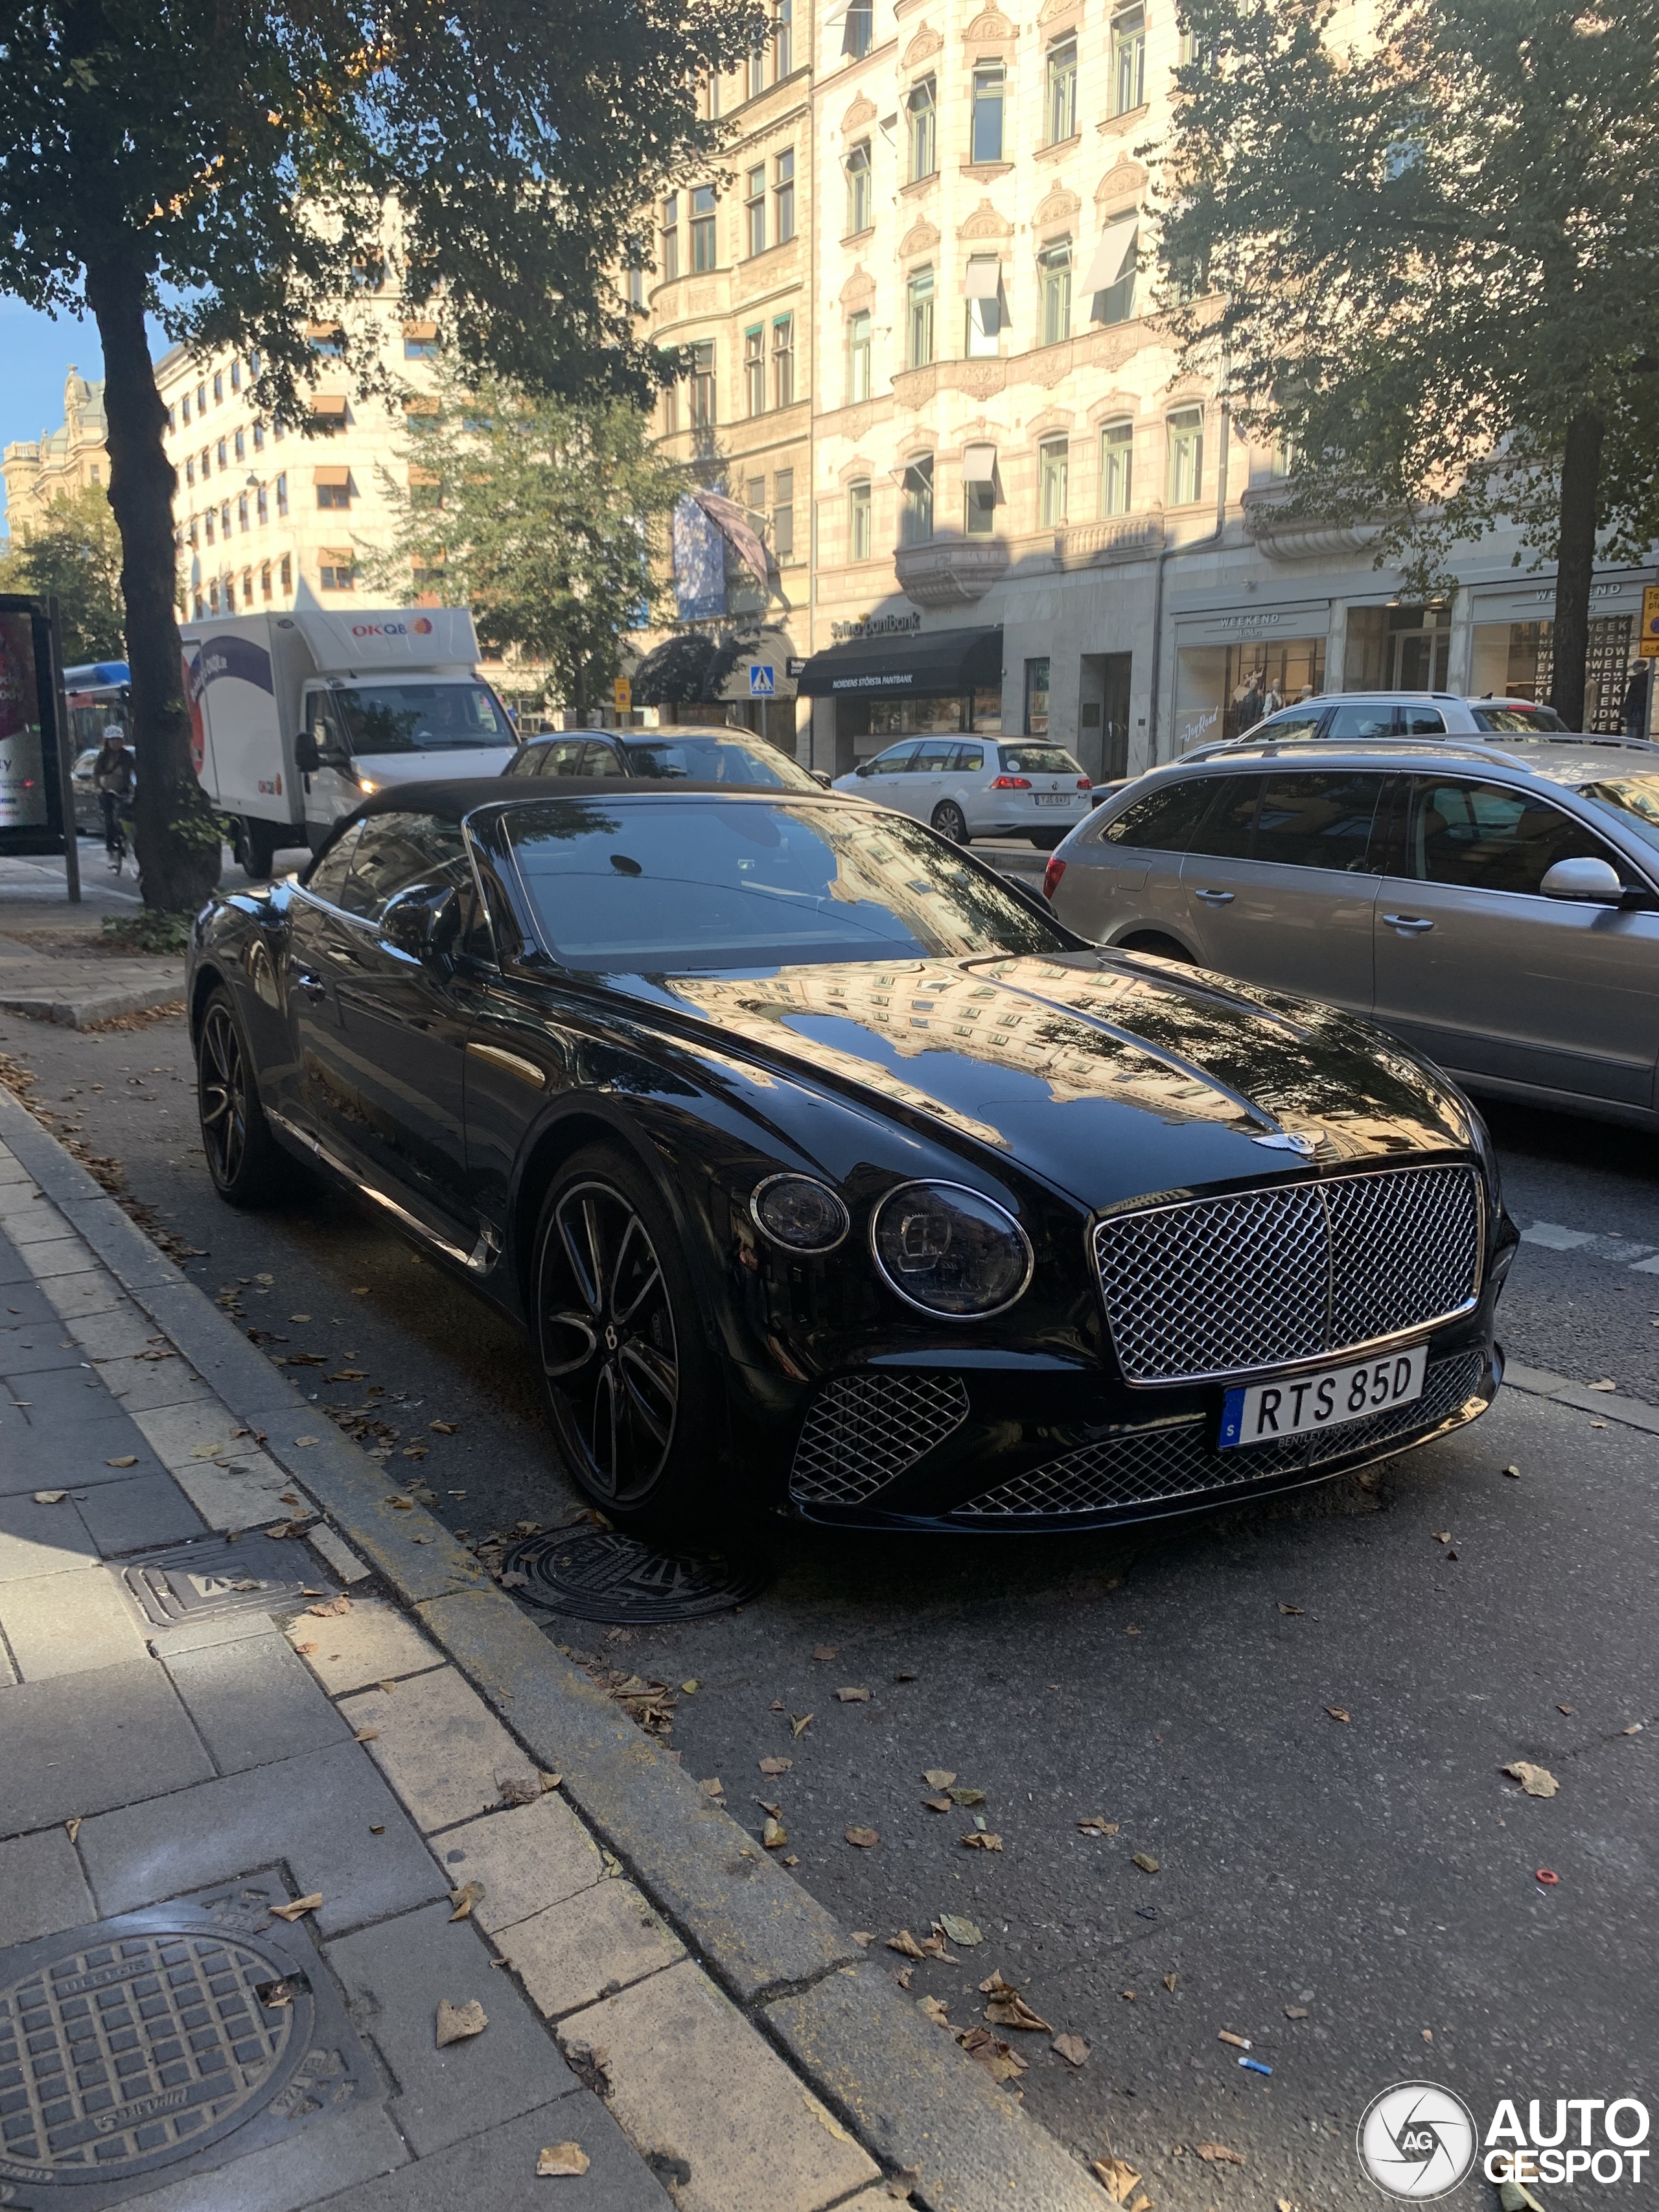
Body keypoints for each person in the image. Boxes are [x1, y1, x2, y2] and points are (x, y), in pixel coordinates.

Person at [93, 725, 136, 856]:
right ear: (107, 742)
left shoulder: (127, 756)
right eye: (112, 740)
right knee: (109, 820)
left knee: (127, 815)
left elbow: (134, 772)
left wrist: (132, 787)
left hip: (123, 791)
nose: (115, 743)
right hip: (107, 792)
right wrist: (101, 788)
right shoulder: (103, 757)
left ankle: (127, 838)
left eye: (118, 740)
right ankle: (111, 848)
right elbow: (97, 775)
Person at [1621, 661, 1650, 741]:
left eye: (1635, 666)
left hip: (1635, 710)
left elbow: (1632, 698)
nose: (1633, 668)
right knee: (1636, 733)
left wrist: (1626, 712)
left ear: (1641, 667)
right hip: (1638, 710)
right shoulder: (1644, 679)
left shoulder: (1639, 681)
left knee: (1634, 734)